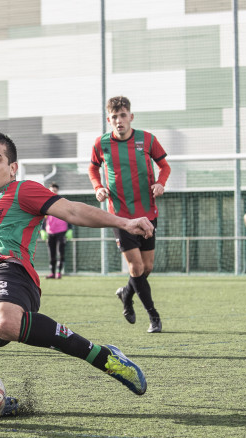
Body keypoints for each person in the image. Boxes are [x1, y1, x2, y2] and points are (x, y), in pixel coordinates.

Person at [0, 131, 151, 419]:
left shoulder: (22, 190)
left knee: (4, 320)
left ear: (12, 168)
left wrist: (125, 222)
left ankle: (104, 357)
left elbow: (72, 210)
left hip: (10, 274)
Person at [88, 96, 171, 333]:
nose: (119, 120)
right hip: (121, 217)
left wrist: (160, 183)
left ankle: (126, 293)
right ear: (109, 119)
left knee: (147, 267)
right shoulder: (101, 143)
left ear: (130, 117)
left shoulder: (147, 139)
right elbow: (93, 167)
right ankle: (154, 317)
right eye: (114, 117)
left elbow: (165, 166)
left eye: (123, 115)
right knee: (136, 268)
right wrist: (98, 187)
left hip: (148, 213)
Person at [39, 183, 73, 279]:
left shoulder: (62, 202)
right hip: (50, 233)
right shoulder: (45, 202)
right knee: (52, 254)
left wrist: (70, 229)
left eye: (55, 190)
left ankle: (59, 272)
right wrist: (42, 230)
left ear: (57, 191)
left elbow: (68, 215)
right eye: (51, 190)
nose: (53, 191)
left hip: (61, 232)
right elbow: (42, 218)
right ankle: (52, 273)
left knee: (60, 253)